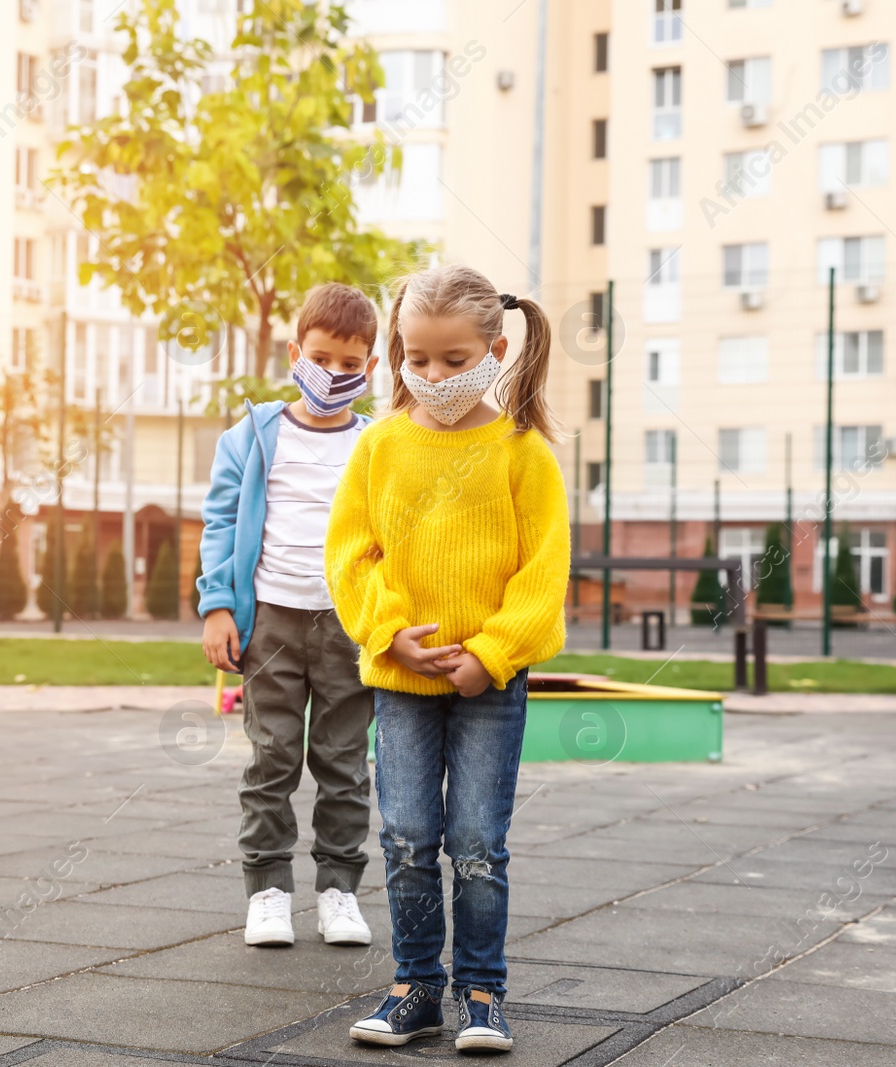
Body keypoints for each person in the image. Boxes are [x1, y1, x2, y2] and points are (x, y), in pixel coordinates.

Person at [325, 264, 569, 1052]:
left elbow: (544, 571)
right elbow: (352, 554)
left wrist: (491, 653)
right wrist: (386, 629)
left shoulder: (523, 452)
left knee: (474, 839)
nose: (431, 375)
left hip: (488, 684)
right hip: (401, 679)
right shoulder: (379, 446)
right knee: (404, 833)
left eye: (454, 360)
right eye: (416, 358)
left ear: (495, 349)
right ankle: (415, 988)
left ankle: (483, 993)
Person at [197, 283, 381, 949]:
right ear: (295, 350)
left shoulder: (377, 443)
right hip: (270, 619)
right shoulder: (251, 435)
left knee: (344, 761)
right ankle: (268, 891)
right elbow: (220, 520)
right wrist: (218, 604)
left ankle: (339, 890)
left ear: (371, 368)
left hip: (348, 624)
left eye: (349, 364)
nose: (333, 374)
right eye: (322, 356)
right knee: (271, 758)